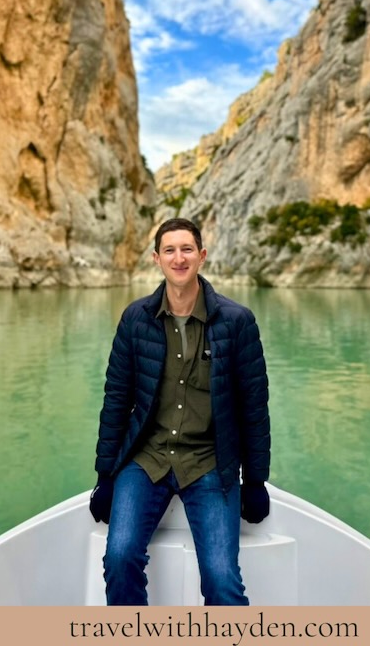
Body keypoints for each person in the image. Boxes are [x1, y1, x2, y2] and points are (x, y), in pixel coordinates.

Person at [90, 217, 270, 605]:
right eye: (169, 250)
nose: (179, 258)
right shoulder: (135, 320)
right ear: (157, 259)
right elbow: (117, 399)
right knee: (119, 557)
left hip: (210, 464)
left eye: (187, 249)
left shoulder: (238, 322)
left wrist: (255, 481)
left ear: (202, 256)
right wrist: (105, 475)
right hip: (147, 459)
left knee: (222, 580)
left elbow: (254, 408)